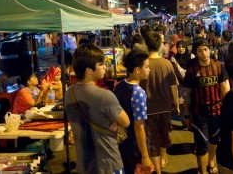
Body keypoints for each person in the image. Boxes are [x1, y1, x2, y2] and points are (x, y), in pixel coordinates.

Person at [65, 44, 130, 174]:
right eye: (101, 64)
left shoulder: (69, 93)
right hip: (108, 163)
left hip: (84, 165)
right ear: (89, 70)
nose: (105, 67)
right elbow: (126, 122)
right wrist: (115, 122)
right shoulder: (105, 95)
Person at [184, 39, 230, 174]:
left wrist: (228, 111)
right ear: (196, 53)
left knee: (215, 139)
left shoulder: (218, 66)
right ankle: (202, 170)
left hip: (217, 110)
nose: (204, 53)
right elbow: (188, 94)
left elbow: (225, 89)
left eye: (205, 49)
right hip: (199, 112)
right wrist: (187, 114)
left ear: (210, 50)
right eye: (200, 50)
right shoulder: (192, 70)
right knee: (202, 143)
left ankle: (211, 160)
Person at [140, 31, 179, 174]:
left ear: (146, 45)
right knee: (165, 134)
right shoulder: (166, 63)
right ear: (160, 45)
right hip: (165, 107)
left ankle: (157, 169)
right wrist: (176, 103)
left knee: (153, 139)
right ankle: (163, 158)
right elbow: (173, 87)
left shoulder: (143, 64)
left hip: (148, 108)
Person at [114, 50, 153, 174]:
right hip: (135, 146)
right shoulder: (138, 93)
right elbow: (139, 126)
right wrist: (145, 155)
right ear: (137, 70)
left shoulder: (118, 86)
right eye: (146, 67)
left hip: (121, 143)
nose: (149, 70)